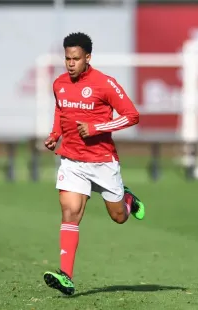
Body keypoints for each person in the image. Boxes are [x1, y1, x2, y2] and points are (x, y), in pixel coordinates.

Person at [42, 32, 146, 296]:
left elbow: (132, 116)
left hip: (102, 162)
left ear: (88, 57)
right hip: (72, 161)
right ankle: (66, 276)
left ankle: (128, 200)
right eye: (67, 58)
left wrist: (97, 127)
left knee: (119, 217)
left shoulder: (105, 83)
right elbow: (60, 109)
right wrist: (56, 134)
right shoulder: (59, 83)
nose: (70, 63)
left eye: (76, 58)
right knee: (70, 213)